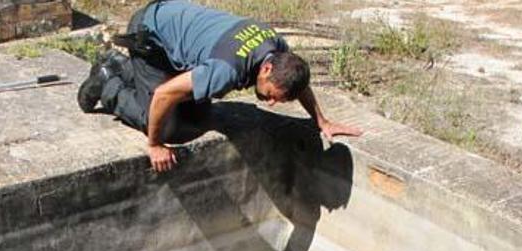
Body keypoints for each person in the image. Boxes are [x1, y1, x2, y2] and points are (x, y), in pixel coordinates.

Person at [77, 0, 363, 172]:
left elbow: (296, 84)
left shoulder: (277, 51)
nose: (272, 103)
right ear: (265, 69)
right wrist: (154, 144)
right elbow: (166, 94)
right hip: (151, 36)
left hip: (175, 27)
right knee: (170, 128)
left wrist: (321, 121)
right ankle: (108, 82)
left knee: (199, 119)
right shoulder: (226, 70)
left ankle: (121, 67)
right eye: (273, 96)